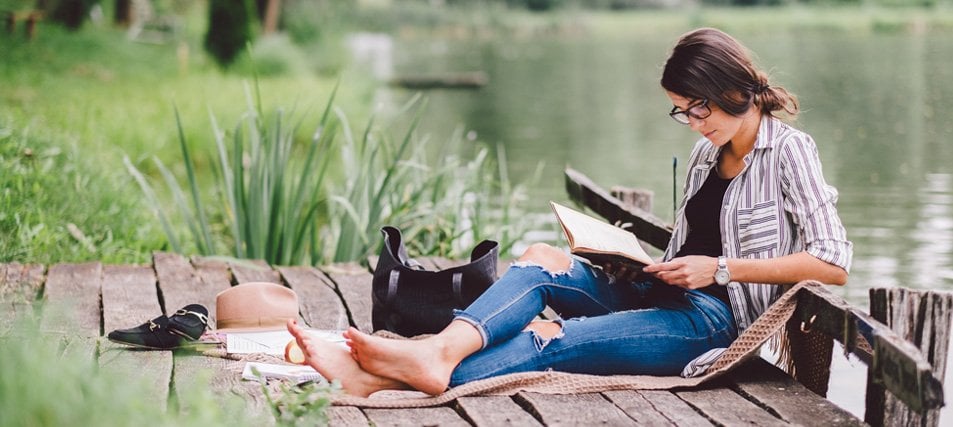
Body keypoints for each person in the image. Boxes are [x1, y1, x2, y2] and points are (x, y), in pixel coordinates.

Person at [286, 27, 853, 397]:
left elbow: (832, 262)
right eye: (681, 113)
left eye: (697, 107)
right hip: (667, 293)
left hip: (713, 323)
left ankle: (383, 376)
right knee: (539, 261)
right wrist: (635, 263)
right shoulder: (708, 154)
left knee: (556, 340)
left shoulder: (789, 151)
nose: (695, 122)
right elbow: (687, 251)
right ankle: (435, 353)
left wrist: (721, 269)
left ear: (732, 89)